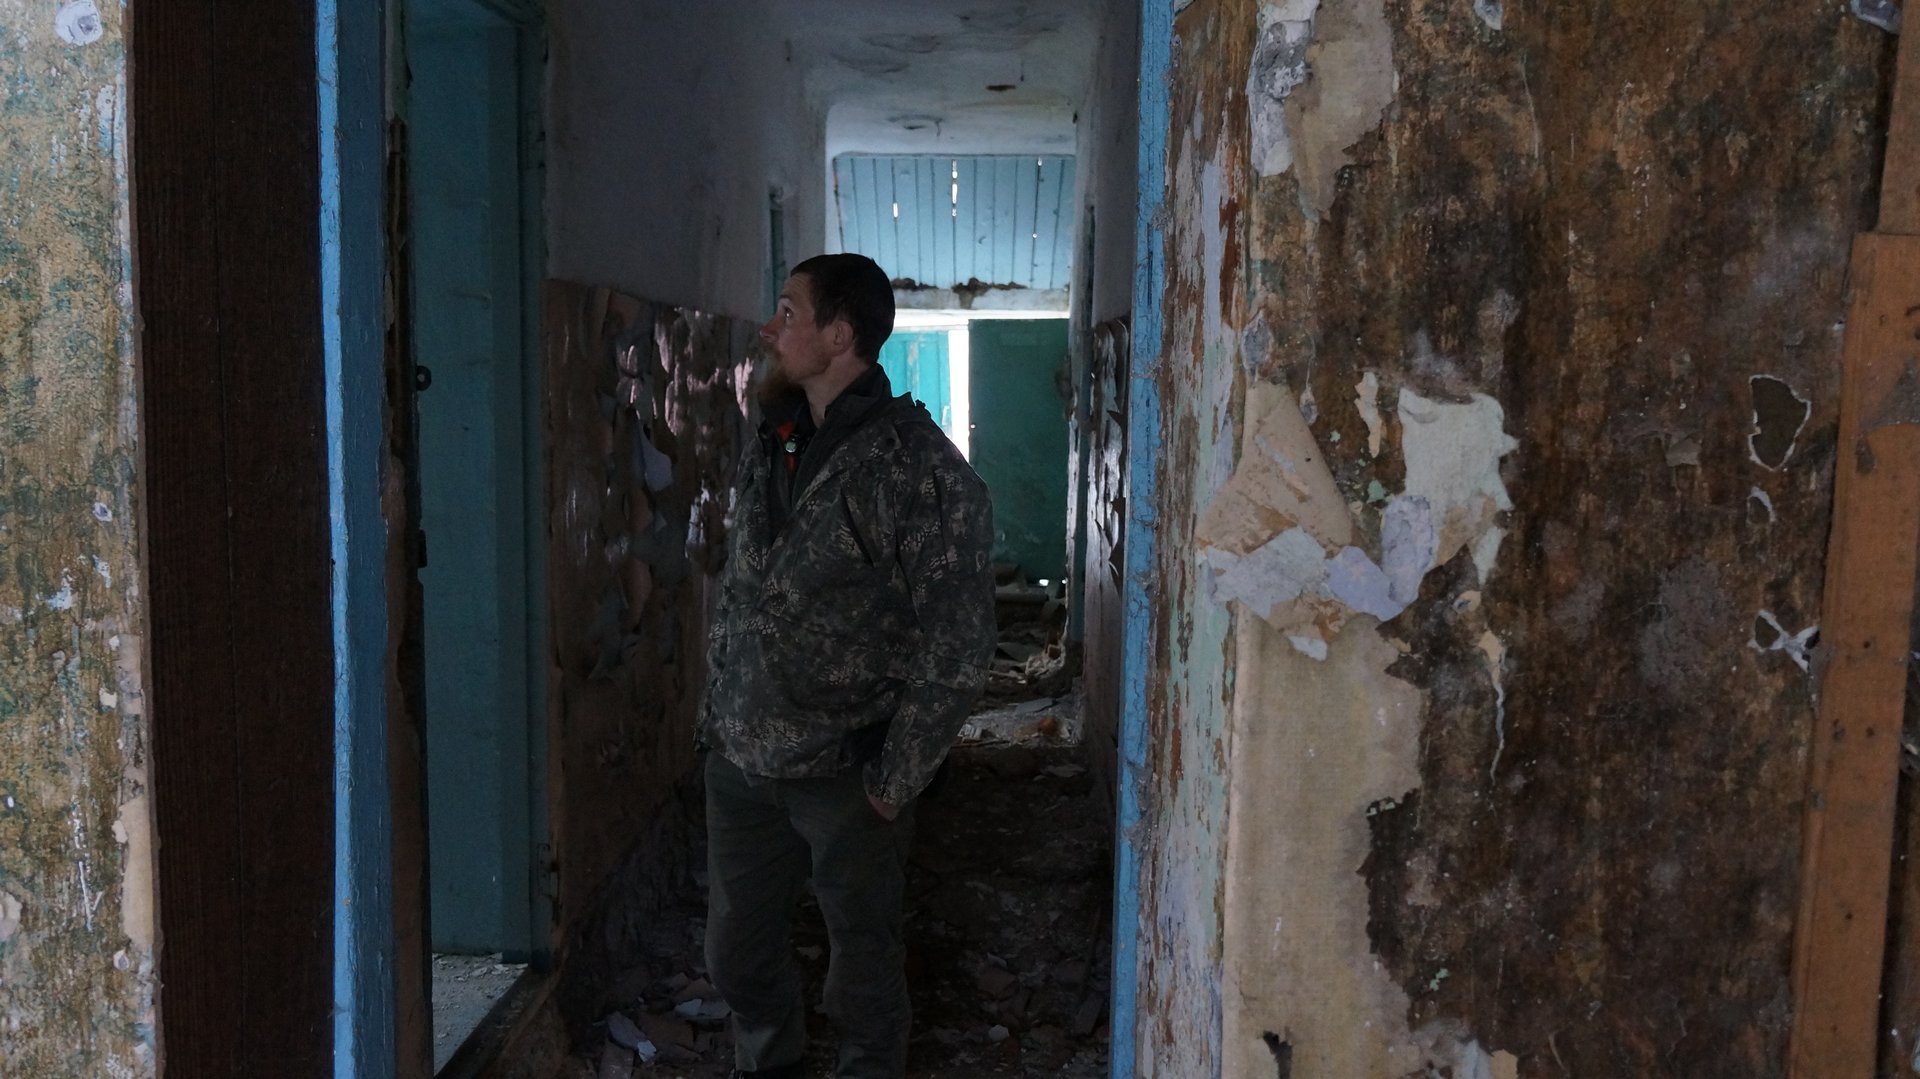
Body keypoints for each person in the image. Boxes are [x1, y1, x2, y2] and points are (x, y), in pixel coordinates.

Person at [698, 253, 997, 1078]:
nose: (769, 326)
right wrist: (719, 721)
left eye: (787, 311)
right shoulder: (775, 437)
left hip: (846, 771)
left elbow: (960, 641)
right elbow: (746, 592)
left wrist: (896, 777)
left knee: (862, 964)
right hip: (744, 761)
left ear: (839, 334)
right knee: (736, 956)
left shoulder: (919, 468)